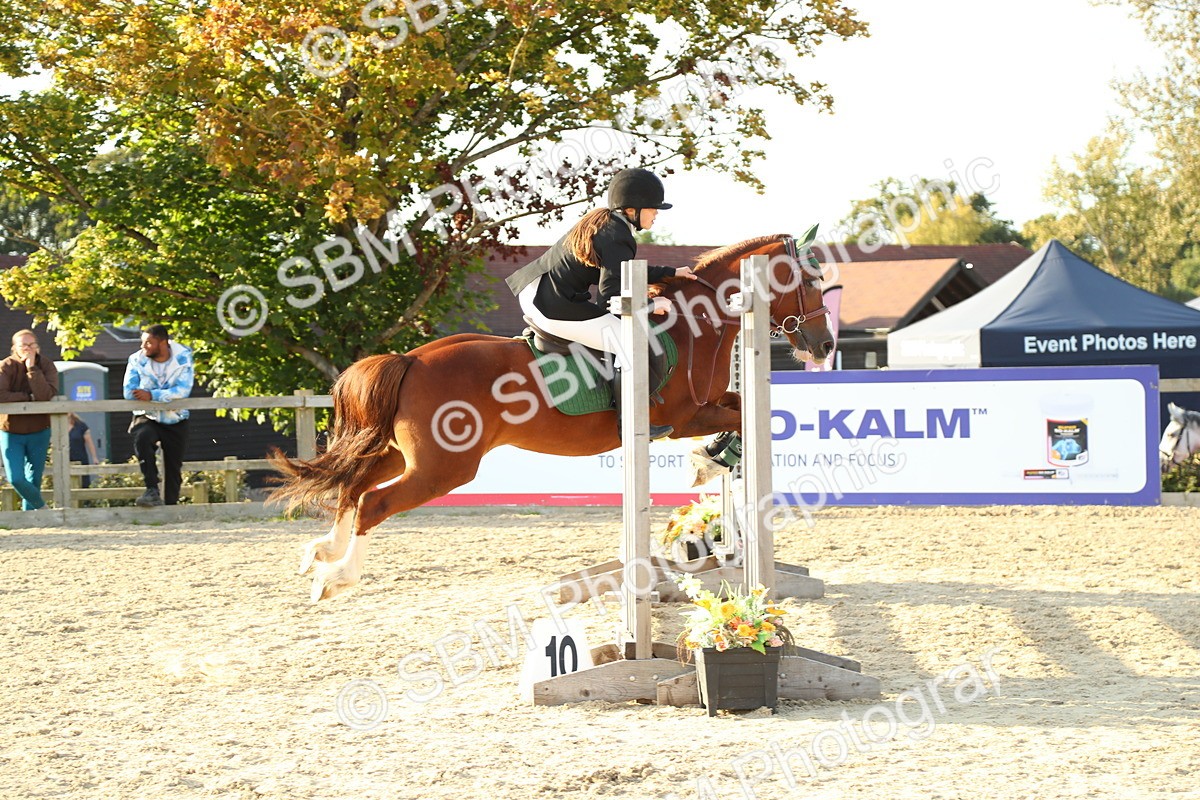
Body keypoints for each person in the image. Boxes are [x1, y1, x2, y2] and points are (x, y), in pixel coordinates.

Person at [505, 168, 697, 439]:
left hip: (538, 293)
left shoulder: (607, 225)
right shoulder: (618, 235)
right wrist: (652, 306)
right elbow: (611, 300)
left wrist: (671, 272)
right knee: (637, 344)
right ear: (632, 209)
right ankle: (631, 423)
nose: (656, 214)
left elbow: (622, 270)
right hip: (553, 305)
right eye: (653, 208)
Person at [123, 324, 194, 507]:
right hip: (148, 415)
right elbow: (129, 391)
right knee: (142, 438)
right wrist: (157, 397)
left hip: (175, 417)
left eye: (148, 342)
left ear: (163, 342)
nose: (143, 347)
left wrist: (152, 395)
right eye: (142, 342)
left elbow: (183, 390)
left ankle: (170, 507)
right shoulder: (136, 359)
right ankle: (151, 489)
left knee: (173, 466)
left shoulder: (183, 357)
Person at [0, 330, 59, 511]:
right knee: (16, 478)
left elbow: (45, 395)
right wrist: (27, 397)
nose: (28, 349)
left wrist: (32, 368)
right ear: (14, 348)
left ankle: (31, 518)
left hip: (40, 429)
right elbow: (1, 395)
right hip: (11, 430)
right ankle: (42, 508)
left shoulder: (46, 365)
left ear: (37, 347)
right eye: (23, 345)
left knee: (34, 479)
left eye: (31, 345)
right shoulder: (5, 366)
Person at [67, 413, 102, 489]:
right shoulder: (58, 426)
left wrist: (94, 457)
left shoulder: (81, 425)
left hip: (80, 458)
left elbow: (89, 442)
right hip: (65, 460)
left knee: (83, 483)